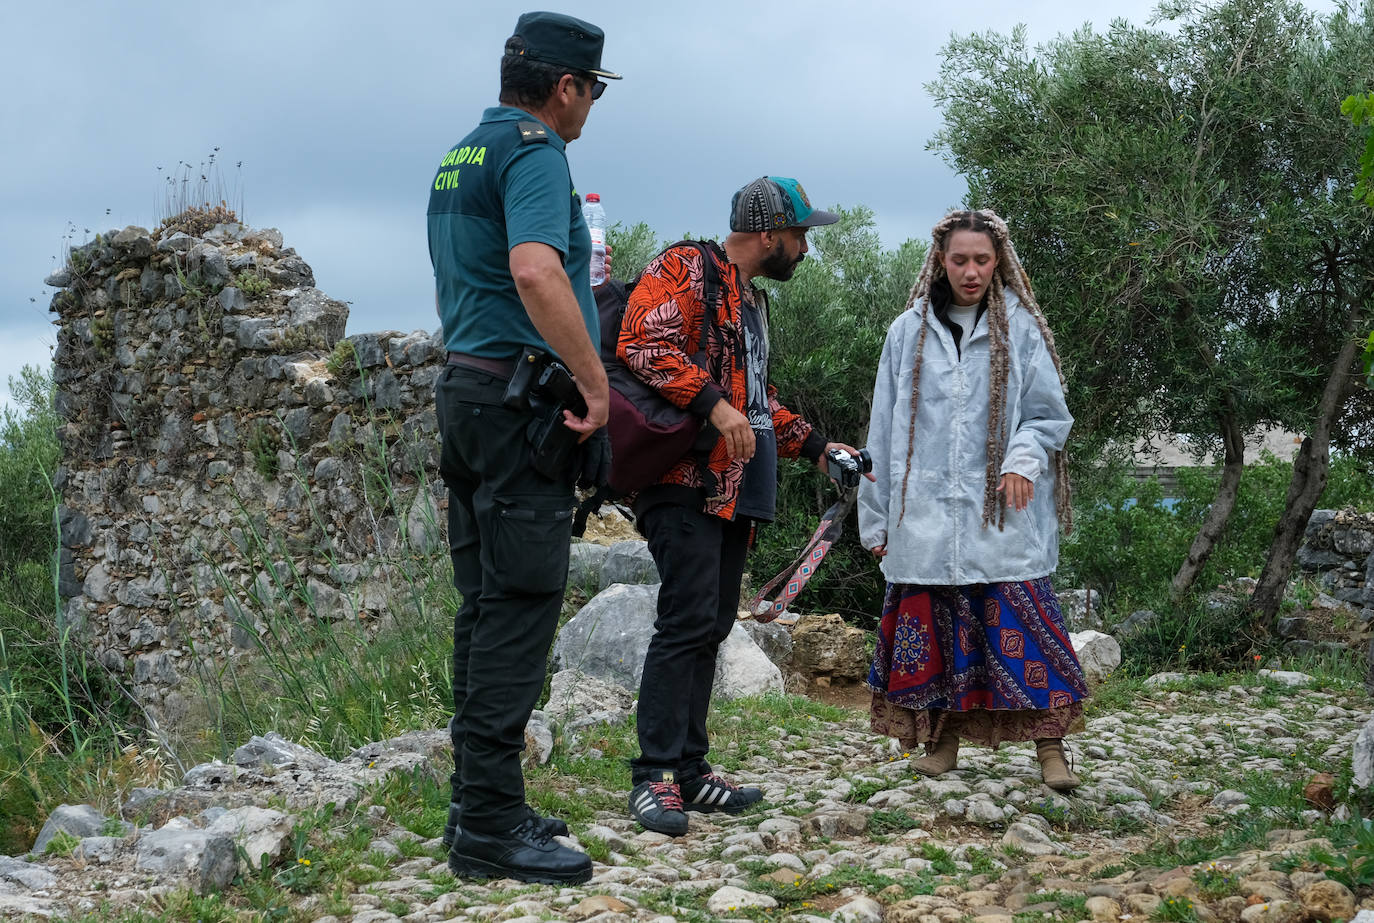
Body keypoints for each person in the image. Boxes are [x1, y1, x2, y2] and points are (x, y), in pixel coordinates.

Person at [427, 11, 619, 883]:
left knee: (482, 604)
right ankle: (492, 831)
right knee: (521, 603)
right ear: (566, 86)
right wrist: (594, 382)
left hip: (465, 390)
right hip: (518, 404)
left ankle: (478, 803)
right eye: (593, 92)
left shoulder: (462, 151)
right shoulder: (537, 151)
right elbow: (537, 270)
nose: (590, 109)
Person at [619, 176, 868, 835]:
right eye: (800, 235)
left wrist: (816, 447)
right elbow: (642, 344)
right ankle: (654, 778)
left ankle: (692, 772)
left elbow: (757, 403)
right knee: (684, 621)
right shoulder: (685, 267)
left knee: (710, 625)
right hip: (685, 480)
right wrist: (713, 403)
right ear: (769, 235)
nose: (806, 249)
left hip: (737, 494)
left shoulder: (752, 301)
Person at [858, 209, 1088, 792]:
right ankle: (944, 743)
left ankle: (1050, 750)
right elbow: (881, 432)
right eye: (959, 259)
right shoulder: (905, 334)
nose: (970, 271)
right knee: (938, 634)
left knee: (1024, 629)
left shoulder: (1022, 330)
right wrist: (876, 518)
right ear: (940, 259)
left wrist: (1021, 461)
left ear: (998, 262)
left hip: (1002, 521)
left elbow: (1046, 416)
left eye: (981, 260)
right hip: (925, 519)